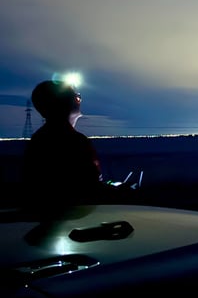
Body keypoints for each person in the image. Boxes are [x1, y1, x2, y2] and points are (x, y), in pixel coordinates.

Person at [21, 79, 129, 213]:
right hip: (75, 217)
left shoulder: (38, 140)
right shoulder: (76, 141)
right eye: (77, 97)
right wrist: (122, 191)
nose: (79, 100)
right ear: (67, 103)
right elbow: (90, 189)